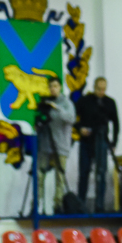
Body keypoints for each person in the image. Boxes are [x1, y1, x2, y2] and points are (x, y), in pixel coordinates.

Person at [75, 77, 119, 213]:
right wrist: (80, 128)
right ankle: (81, 204)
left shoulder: (110, 102)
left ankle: (100, 205)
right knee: (84, 172)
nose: (101, 92)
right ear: (94, 87)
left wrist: (114, 143)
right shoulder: (84, 101)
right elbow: (73, 118)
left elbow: (116, 123)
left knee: (101, 173)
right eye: (99, 89)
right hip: (86, 141)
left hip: (102, 141)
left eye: (103, 89)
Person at [36, 77, 76, 214]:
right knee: (40, 175)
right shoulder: (46, 104)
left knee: (59, 177)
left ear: (60, 87)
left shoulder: (66, 104)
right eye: (50, 86)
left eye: (55, 86)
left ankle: (57, 205)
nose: (53, 89)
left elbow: (71, 119)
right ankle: (38, 204)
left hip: (61, 146)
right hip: (46, 145)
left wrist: (57, 108)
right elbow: (40, 122)